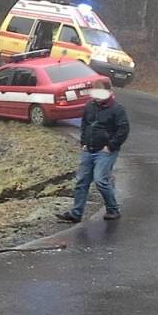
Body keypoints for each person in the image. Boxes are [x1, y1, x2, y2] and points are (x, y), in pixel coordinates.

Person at [56, 86, 129, 223]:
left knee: (101, 180)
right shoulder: (90, 106)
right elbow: (85, 124)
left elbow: (123, 130)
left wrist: (110, 146)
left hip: (105, 151)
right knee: (81, 181)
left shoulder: (117, 109)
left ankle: (113, 209)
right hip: (89, 149)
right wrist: (83, 142)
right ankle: (76, 213)